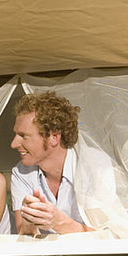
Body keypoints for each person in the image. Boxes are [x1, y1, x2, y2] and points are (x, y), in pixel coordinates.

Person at [10, 91, 95, 235]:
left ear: (54, 137)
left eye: (24, 136)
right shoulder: (21, 172)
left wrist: (59, 222)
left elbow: (107, 235)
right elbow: (25, 236)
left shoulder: (94, 166)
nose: (13, 144)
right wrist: (28, 223)